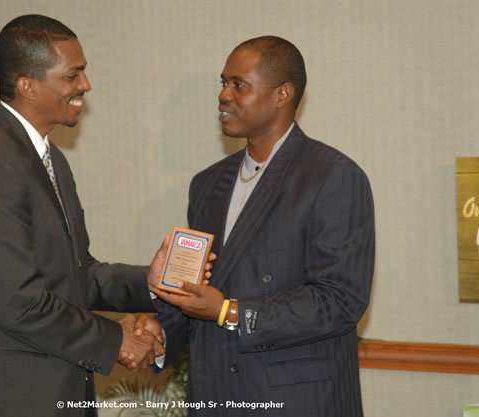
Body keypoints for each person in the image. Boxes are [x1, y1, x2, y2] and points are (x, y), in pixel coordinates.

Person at [0, 14, 170, 417]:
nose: (85, 85)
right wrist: (117, 338)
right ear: (28, 85)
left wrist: (150, 284)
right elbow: (20, 303)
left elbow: (76, 275)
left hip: (56, 391)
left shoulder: (50, 160)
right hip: (11, 399)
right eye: (73, 75)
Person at [147, 36, 375, 417]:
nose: (224, 96)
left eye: (239, 85)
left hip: (297, 403)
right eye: (223, 83)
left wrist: (229, 311)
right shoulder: (206, 184)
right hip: (216, 395)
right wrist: (155, 337)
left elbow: (340, 300)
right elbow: (199, 290)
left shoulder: (333, 176)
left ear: (282, 94)